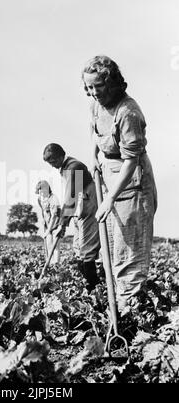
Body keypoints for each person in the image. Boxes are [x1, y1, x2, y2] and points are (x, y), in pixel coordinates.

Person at [82, 55, 158, 312]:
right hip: (108, 175)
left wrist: (110, 198)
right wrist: (94, 154)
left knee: (129, 252)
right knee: (111, 251)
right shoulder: (96, 105)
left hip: (132, 182)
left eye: (98, 87)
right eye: (89, 88)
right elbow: (94, 129)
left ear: (112, 83)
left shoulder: (128, 112)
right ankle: (119, 309)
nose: (93, 93)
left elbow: (131, 160)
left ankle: (132, 318)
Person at [43, 144, 100, 291]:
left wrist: (62, 224)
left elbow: (71, 197)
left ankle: (93, 289)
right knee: (78, 248)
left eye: (54, 161)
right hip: (79, 210)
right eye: (50, 163)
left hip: (88, 208)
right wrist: (65, 221)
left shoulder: (74, 167)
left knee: (87, 249)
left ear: (62, 155)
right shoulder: (66, 168)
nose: (53, 166)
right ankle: (84, 285)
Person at [35, 180, 61, 265]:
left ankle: (56, 264)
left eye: (42, 191)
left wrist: (48, 230)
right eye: (39, 191)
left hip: (56, 224)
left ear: (47, 189)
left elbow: (54, 216)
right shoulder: (40, 199)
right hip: (47, 224)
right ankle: (50, 264)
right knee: (49, 245)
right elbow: (43, 210)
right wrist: (43, 220)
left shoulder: (53, 199)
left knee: (55, 246)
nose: (40, 193)